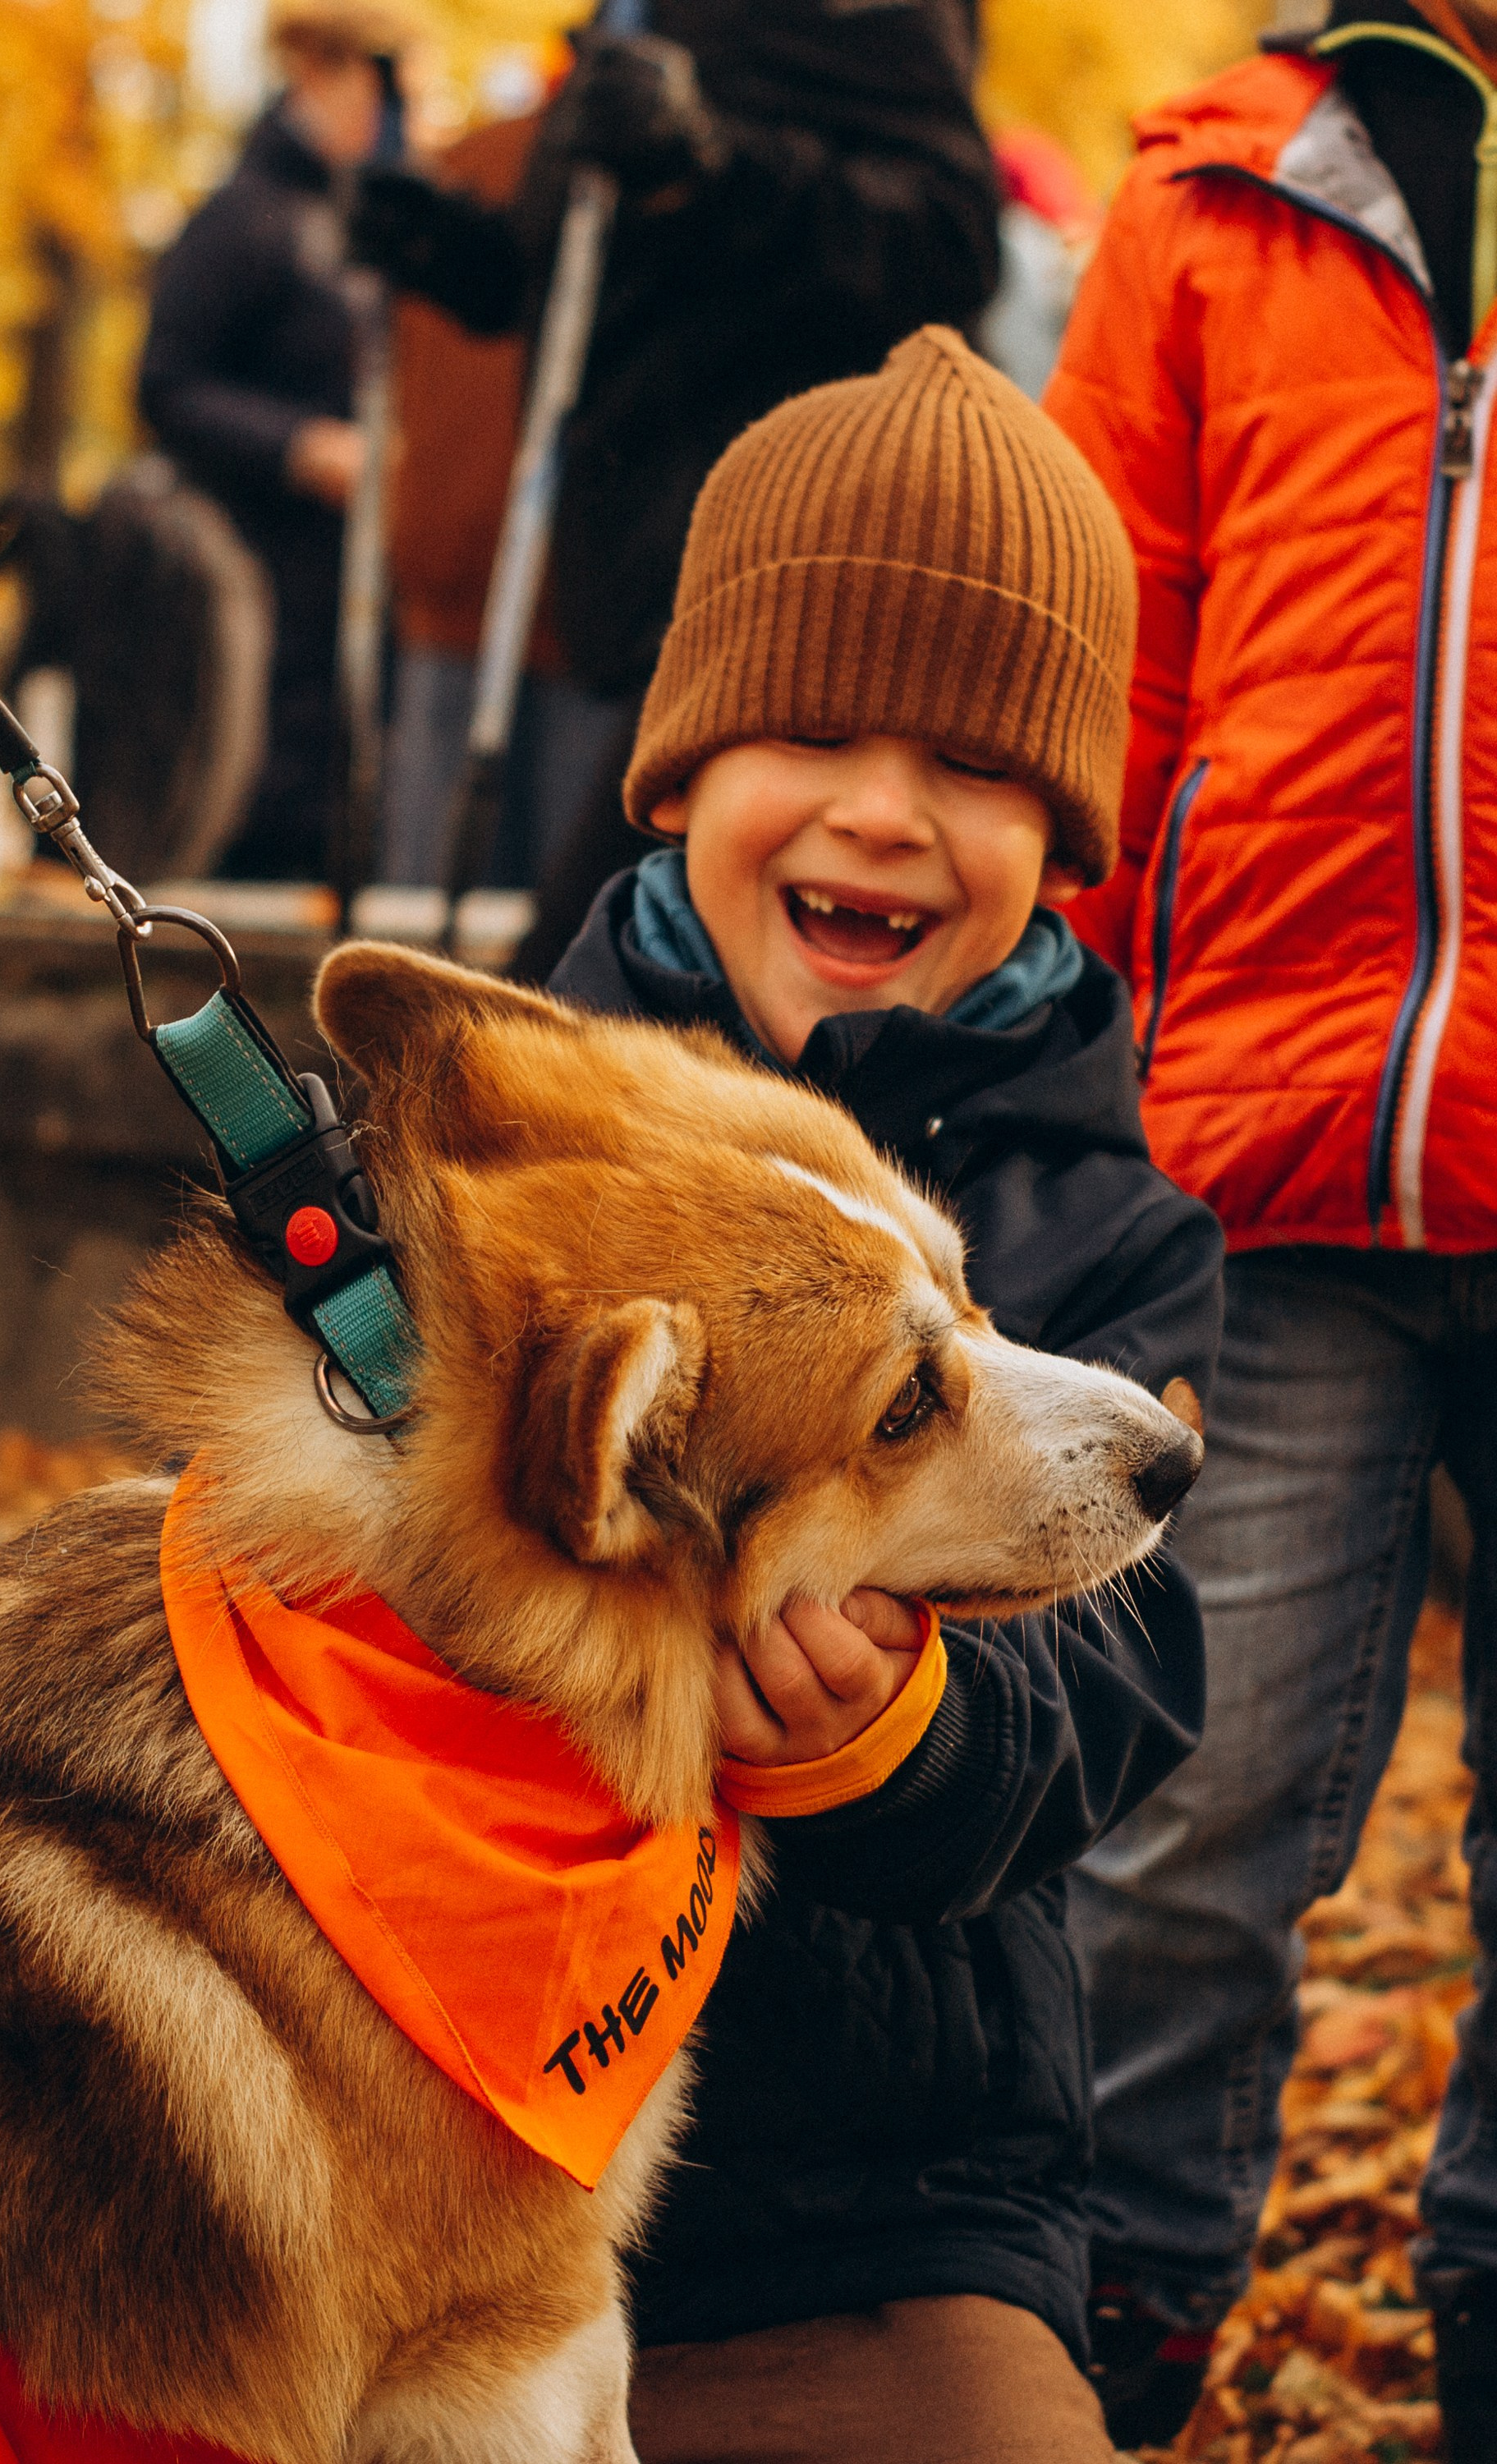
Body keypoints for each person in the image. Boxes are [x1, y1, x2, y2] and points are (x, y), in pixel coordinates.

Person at [548, 325, 1225, 2464]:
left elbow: (1123, 1678)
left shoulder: (1108, 1225)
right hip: (454, 2117)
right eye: (812, 731)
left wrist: (895, 1726)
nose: (879, 811)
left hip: (878, 2198)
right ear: (678, 770)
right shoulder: (510, 1133)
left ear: (1065, 828)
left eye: (971, 762)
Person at [1041, 5, 1497, 2452]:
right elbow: (1096, 676)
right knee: (1177, 1820)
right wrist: (1048, 1072)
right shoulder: (1219, 185)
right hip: (1274, 1144)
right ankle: (1093, 2354)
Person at [351, 0, 1003, 969]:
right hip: (630, 566)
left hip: (780, 568)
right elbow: (594, 259)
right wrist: (464, 255)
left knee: (577, 971)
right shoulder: (634, 10)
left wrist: (711, 162)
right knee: (644, 961)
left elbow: (945, 241)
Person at [139, 0, 411, 881]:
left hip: (348, 592)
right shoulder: (244, 218)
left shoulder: (365, 221)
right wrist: (300, 447)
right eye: (391, 88)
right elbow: (163, 385)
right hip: (254, 581)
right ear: (322, 74)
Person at [382, 108, 627, 891]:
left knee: (452, 899)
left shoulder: (458, 167)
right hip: (545, 600)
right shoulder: (492, 170)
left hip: (519, 592)